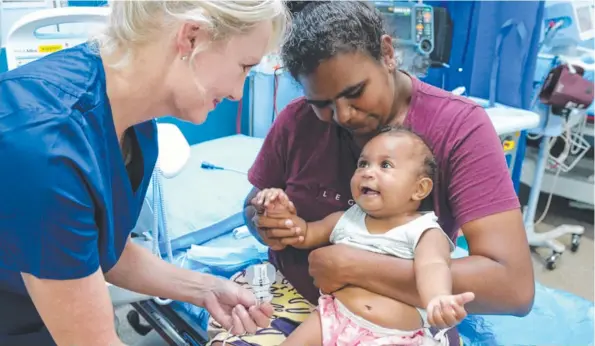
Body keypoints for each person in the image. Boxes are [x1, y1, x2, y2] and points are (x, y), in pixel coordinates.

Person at [209, 1, 535, 345]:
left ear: (387, 53)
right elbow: (252, 205)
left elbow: (512, 287)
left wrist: (355, 267)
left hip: (395, 319)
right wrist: (266, 223)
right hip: (292, 295)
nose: (343, 115)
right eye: (322, 104)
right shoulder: (296, 120)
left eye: (354, 93)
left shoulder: (459, 129)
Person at [0, 1, 288, 345]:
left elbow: (104, 248)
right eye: (244, 66)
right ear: (192, 37)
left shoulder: (135, 125)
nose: (238, 93)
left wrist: (207, 288)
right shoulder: (47, 144)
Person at [256, 127, 476, 346]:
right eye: (363, 164)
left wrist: (437, 298)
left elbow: (433, 266)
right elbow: (303, 234)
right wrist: (279, 211)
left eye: (385, 165)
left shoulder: (424, 231)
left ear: (419, 189)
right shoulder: (346, 219)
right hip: (333, 317)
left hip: (394, 335)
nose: (368, 172)